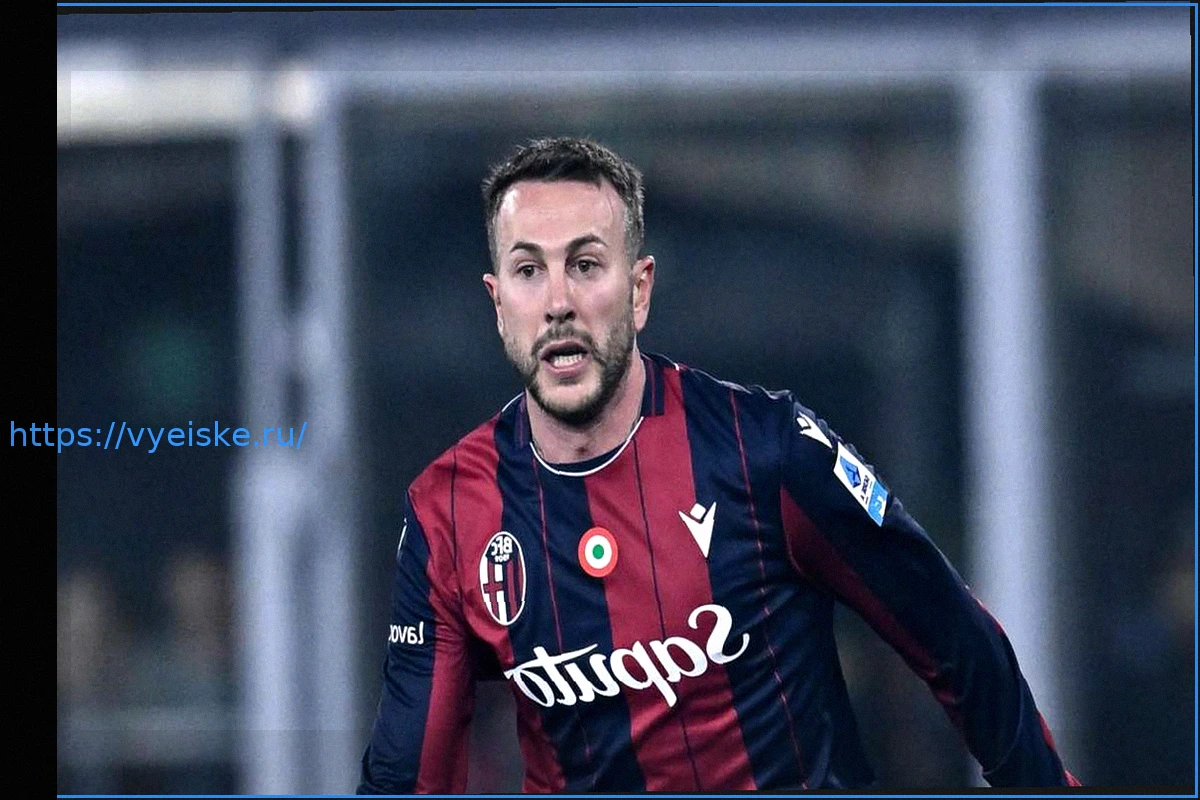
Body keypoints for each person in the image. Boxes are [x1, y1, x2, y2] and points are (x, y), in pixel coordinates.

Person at [357, 137, 1079, 792]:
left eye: (585, 265)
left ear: (639, 290)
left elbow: (952, 635)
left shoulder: (766, 449)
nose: (557, 303)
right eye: (528, 271)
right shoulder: (449, 511)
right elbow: (406, 773)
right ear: (498, 302)